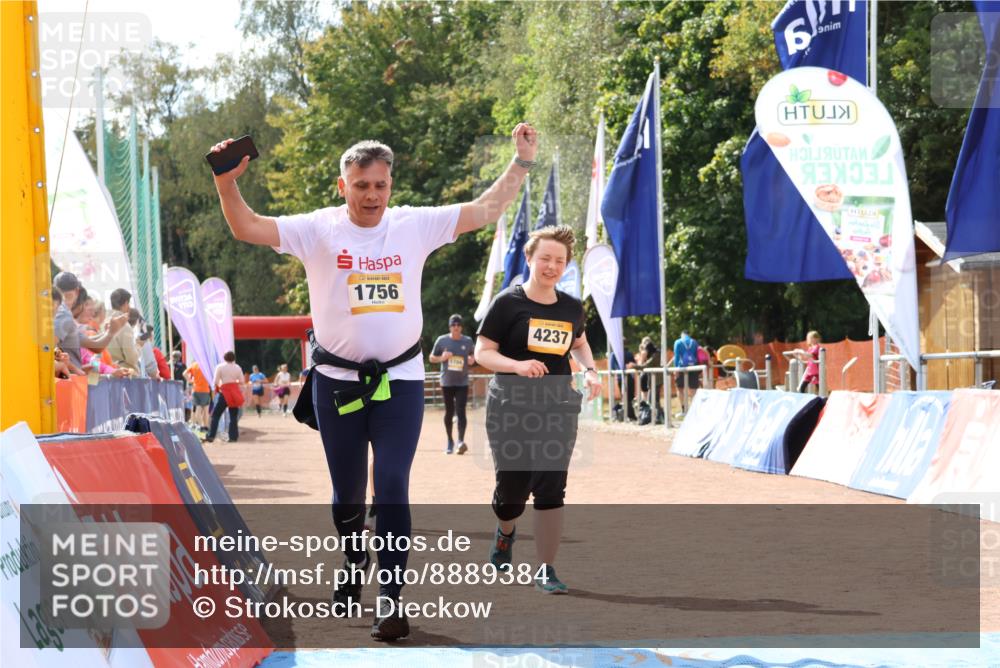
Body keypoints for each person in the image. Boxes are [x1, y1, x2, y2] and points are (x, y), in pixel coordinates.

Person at [209, 121, 538, 641]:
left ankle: (390, 597)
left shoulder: (413, 225)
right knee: (346, 496)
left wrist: (519, 163)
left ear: (391, 186)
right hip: (336, 383)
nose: (371, 195)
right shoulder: (318, 228)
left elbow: (485, 210)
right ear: (343, 187)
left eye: (380, 185)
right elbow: (247, 226)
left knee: (390, 487)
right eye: (361, 185)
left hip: (399, 382)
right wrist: (227, 182)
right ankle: (352, 559)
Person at [475, 225, 601, 595]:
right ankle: (506, 531)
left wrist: (590, 371)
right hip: (510, 407)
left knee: (551, 487)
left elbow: (579, 342)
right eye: (545, 258)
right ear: (529, 259)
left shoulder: (571, 307)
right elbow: (482, 352)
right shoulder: (507, 304)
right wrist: (517, 365)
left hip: (558, 406)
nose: (551, 266)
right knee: (511, 492)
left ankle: (546, 569)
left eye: (559, 261)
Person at [53, 272, 125, 367]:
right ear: (77, 291)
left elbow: (94, 346)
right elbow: (48, 346)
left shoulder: (64, 314)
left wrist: (108, 332)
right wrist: (112, 331)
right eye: (88, 306)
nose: (91, 312)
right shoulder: (63, 314)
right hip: (67, 379)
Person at [429, 314, 475, 454]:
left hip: (462, 382)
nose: (456, 327)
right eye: (453, 325)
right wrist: (442, 358)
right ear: (450, 327)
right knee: (449, 412)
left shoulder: (467, 341)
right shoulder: (442, 340)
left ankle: (460, 441)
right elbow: (431, 358)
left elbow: (473, 356)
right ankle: (450, 441)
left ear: (461, 327)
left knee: (461, 411)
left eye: (458, 325)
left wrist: (471, 359)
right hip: (447, 382)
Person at [206, 351, 244, 443]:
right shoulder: (237, 367)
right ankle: (233, 437)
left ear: (224, 358)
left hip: (224, 393)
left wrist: (218, 388)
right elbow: (242, 381)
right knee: (233, 416)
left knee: (216, 415)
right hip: (234, 393)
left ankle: (211, 436)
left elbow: (215, 381)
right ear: (233, 358)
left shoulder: (220, 367)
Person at [105, 288, 140, 373]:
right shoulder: (124, 326)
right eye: (129, 303)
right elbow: (131, 358)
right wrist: (138, 346)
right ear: (125, 303)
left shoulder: (102, 321)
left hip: (105, 372)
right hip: (123, 374)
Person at [672, 330, 701, 414]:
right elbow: (697, 355)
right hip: (693, 367)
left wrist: (676, 369)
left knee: (680, 389)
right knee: (693, 390)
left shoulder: (678, 342)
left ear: (682, 335)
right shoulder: (694, 342)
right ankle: (695, 410)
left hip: (681, 368)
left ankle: (684, 410)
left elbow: (677, 357)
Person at [609, 346, 638, 421]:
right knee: (629, 397)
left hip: (620, 378)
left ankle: (628, 415)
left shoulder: (613, 354)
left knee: (625, 397)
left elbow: (612, 367)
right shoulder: (629, 353)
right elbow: (634, 364)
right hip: (630, 377)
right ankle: (629, 415)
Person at [185, 361, 212, 430]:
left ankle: (200, 426)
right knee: (206, 410)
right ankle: (205, 426)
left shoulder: (194, 365)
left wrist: (190, 381)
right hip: (205, 390)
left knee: (198, 408)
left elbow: (184, 373)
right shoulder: (206, 364)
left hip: (195, 389)